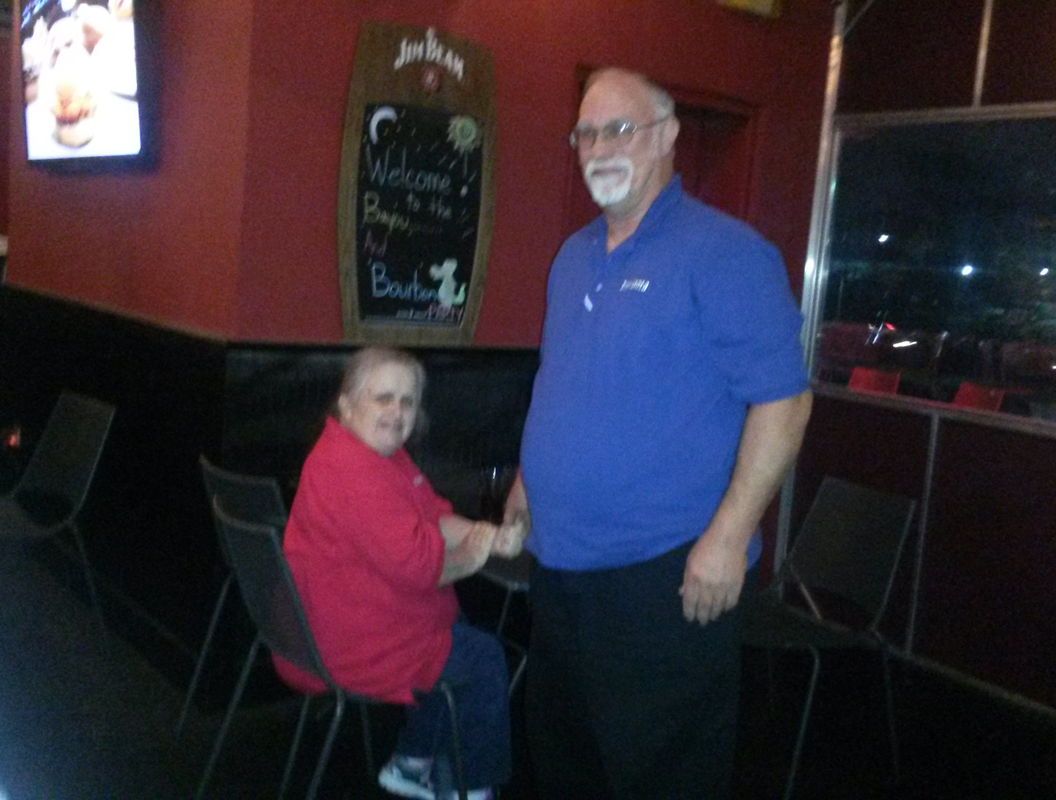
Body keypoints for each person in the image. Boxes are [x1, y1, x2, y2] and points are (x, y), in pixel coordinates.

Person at [501, 67, 814, 798]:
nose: (599, 148)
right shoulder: (573, 256)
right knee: (567, 762)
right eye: (586, 134)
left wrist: (729, 538)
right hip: (560, 566)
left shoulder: (726, 253)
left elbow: (785, 404)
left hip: (664, 574)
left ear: (668, 135)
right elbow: (561, 381)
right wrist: (527, 481)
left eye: (620, 129)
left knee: (659, 774)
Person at [276, 347, 523, 800]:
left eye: (408, 401)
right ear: (347, 404)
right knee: (483, 658)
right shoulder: (351, 470)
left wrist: (482, 533)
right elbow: (421, 570)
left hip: (338, 621)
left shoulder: (376, 452)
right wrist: (476, 553)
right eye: (383, 398)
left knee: (455, 628)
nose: (397, 411)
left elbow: (434, 513)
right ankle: (472, 788)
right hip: (347, 644)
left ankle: (412, 763)